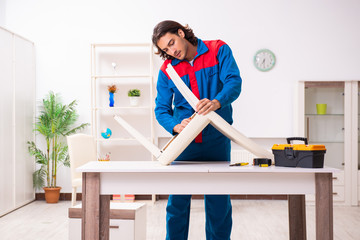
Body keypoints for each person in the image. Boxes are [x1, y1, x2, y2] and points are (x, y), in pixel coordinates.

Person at [152, 20, 242, 240]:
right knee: (177, 204)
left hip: (217, 140)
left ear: (181, 33)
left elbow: (234, 82)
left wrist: (217, 102)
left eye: (172, 43)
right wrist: (175, 125)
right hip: (185, 143)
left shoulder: (218, 49)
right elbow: (161, 109)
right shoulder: (167, 70)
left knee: (218, 203)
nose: (172, 51)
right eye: (166, 49)